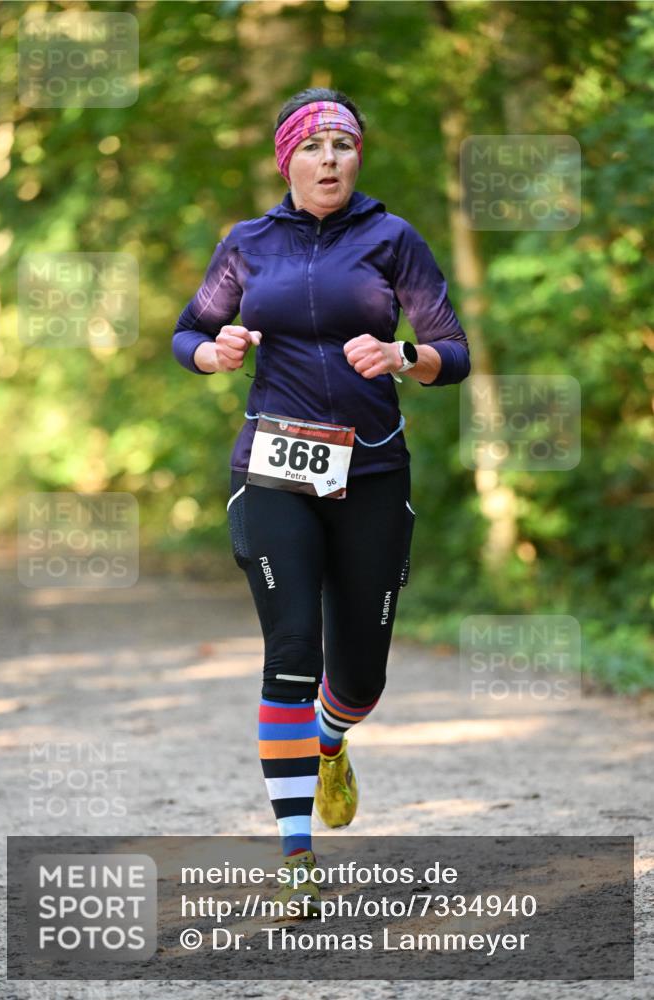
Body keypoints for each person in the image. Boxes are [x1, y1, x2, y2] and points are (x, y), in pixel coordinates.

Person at [172, 88, 470, 918]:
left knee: (360, 677)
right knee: (291, 647)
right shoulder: (247, 244)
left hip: (371, 472)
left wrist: (404, 355)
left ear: (356, 157)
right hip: (273, 468)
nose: (330, 158)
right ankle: (296, 855)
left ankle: (333, 739)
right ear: (287, 159)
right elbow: (186, 331)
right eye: (314, 145)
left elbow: (454, 351)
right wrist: (212, 352)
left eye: (343, 143)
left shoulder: (391, 238)